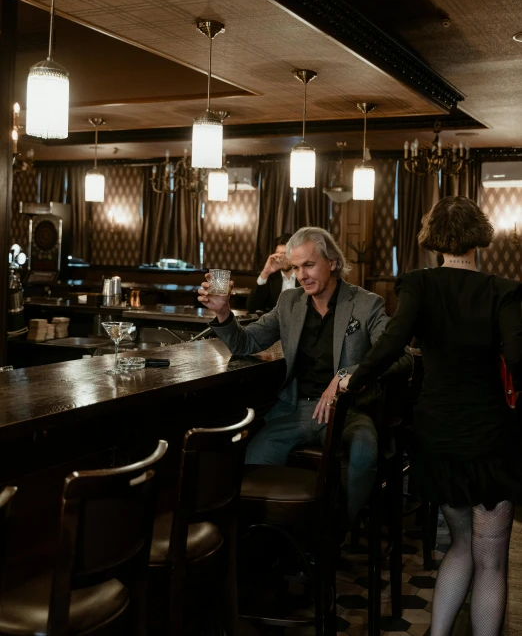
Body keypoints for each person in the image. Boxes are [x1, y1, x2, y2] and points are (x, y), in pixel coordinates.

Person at [340, 196, 522, 636]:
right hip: (489, 435)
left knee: (458, 545)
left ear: (432, 239)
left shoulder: (418, 283)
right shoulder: (503, 290)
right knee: (491, 560)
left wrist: (353, 380)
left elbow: (391, 344)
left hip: (438, 431)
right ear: (480, 236)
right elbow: (519, 360)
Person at [199, 226, 412, 525]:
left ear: (333, 262)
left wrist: (345, 376)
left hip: (348, 410)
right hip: (295, 409)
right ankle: (275, 545)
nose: (302, 275)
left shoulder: (366, 304)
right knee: (251, 461)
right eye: (296, 267)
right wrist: (223, 313)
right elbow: (246, 343)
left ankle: (337, 532)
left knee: (363, 456)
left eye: (309, 265)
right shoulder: (290, 303)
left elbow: (401, 358)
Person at [246, 233, 295, 313]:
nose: (282, 258)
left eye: (286, 253)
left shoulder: (303, 276)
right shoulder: (271, 278)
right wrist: (265, 272)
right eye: (279, 253)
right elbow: (251, 307)